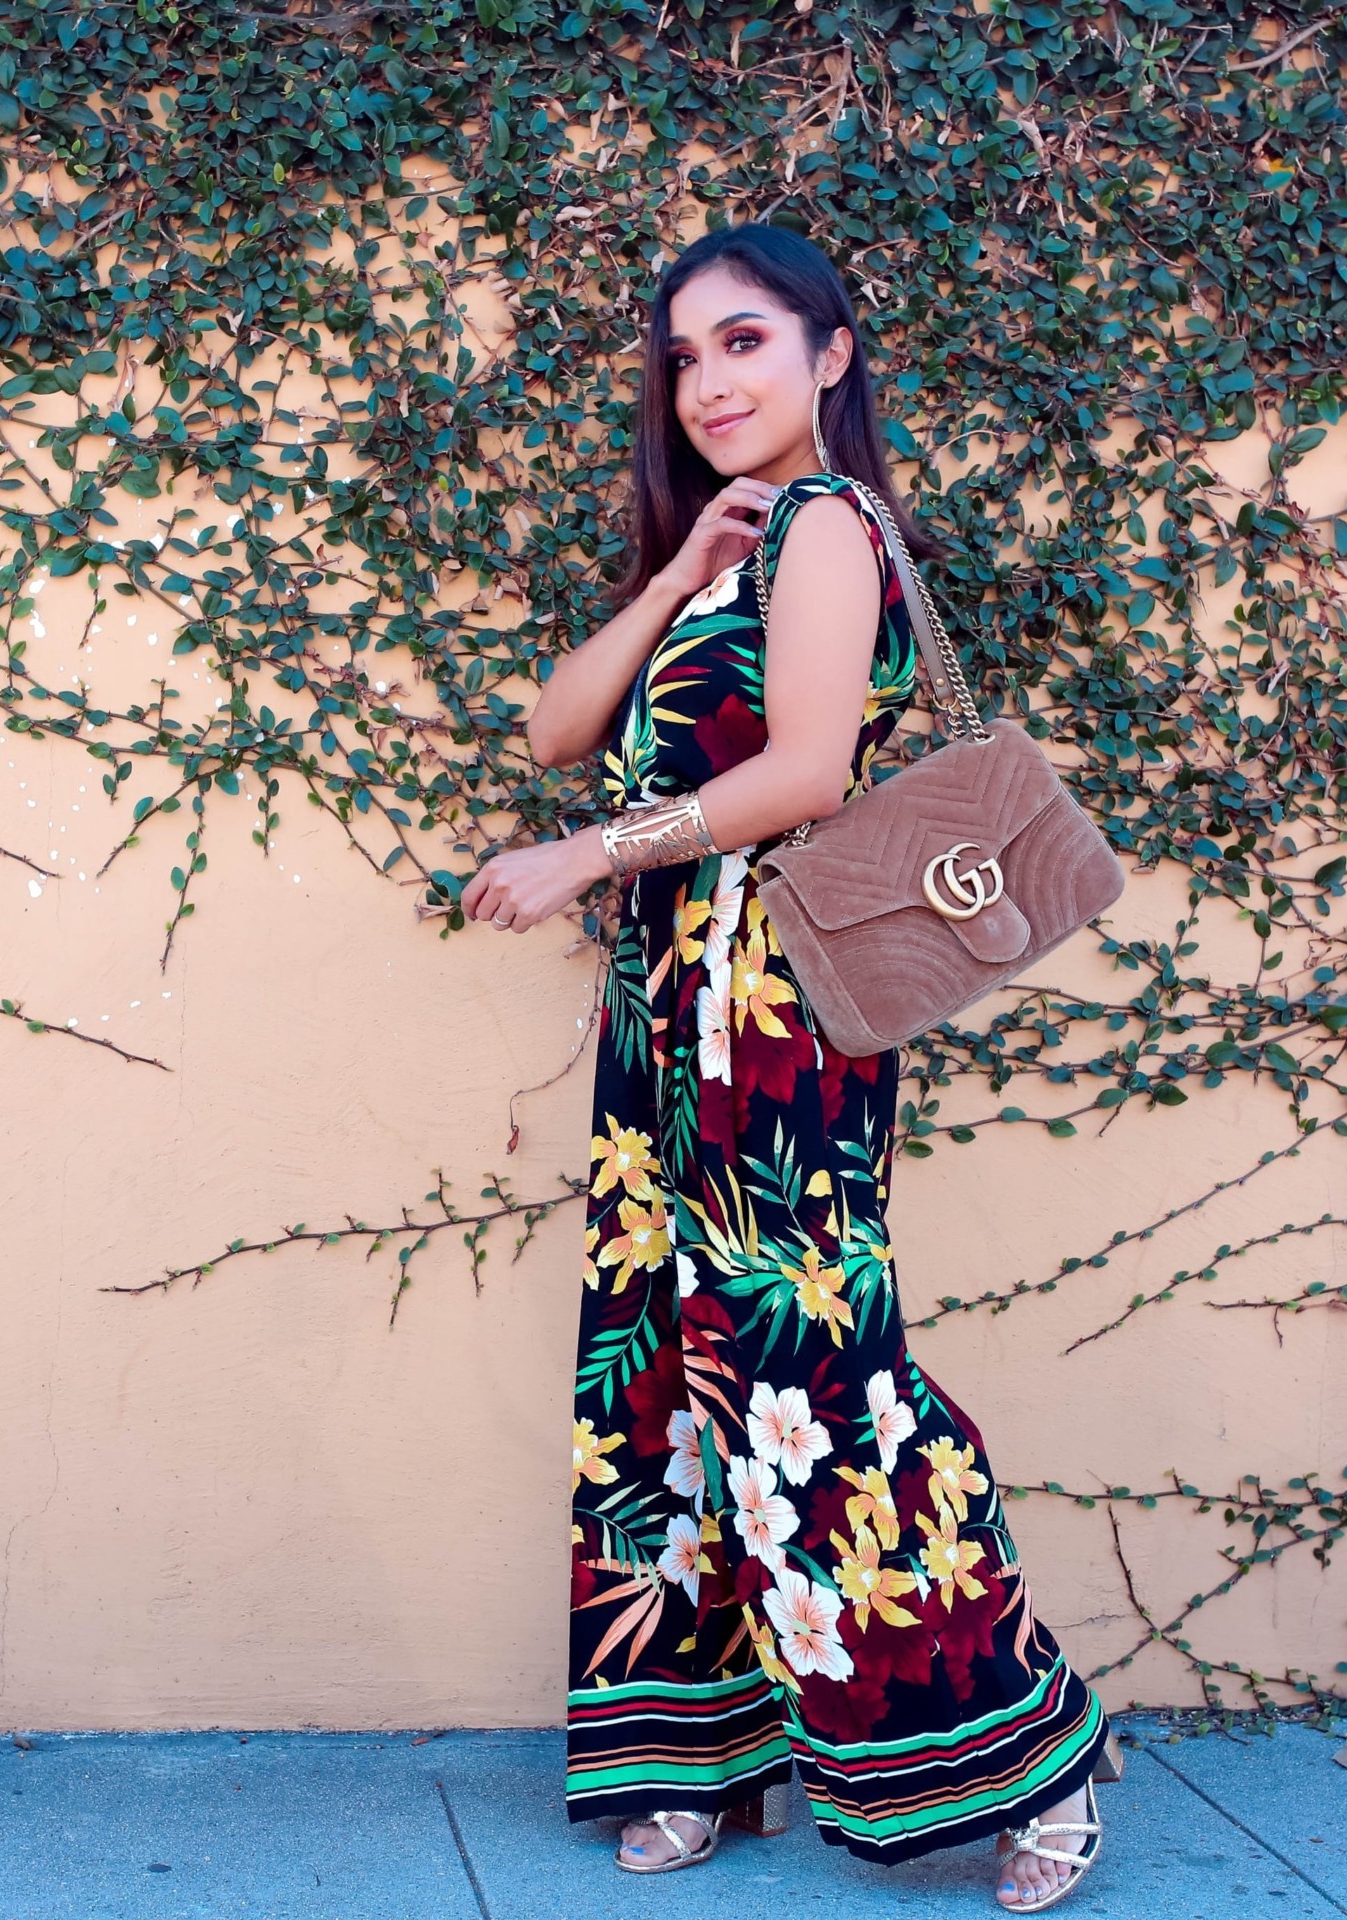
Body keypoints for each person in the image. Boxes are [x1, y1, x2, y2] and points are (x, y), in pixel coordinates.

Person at [459, 222, 1114, 1912]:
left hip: (773, 1012)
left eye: (745, 342)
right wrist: (674, 574)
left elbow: (812, 773)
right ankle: (697, 1756)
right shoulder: (735, 551)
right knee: (662, 1383)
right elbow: (554, 726)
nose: (708, 384)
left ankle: (1035, 1750)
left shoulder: (830, 524)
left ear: (832, 354)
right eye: (685, 358)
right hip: (669, 1015)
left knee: (815, 1381)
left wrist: (591, 854)